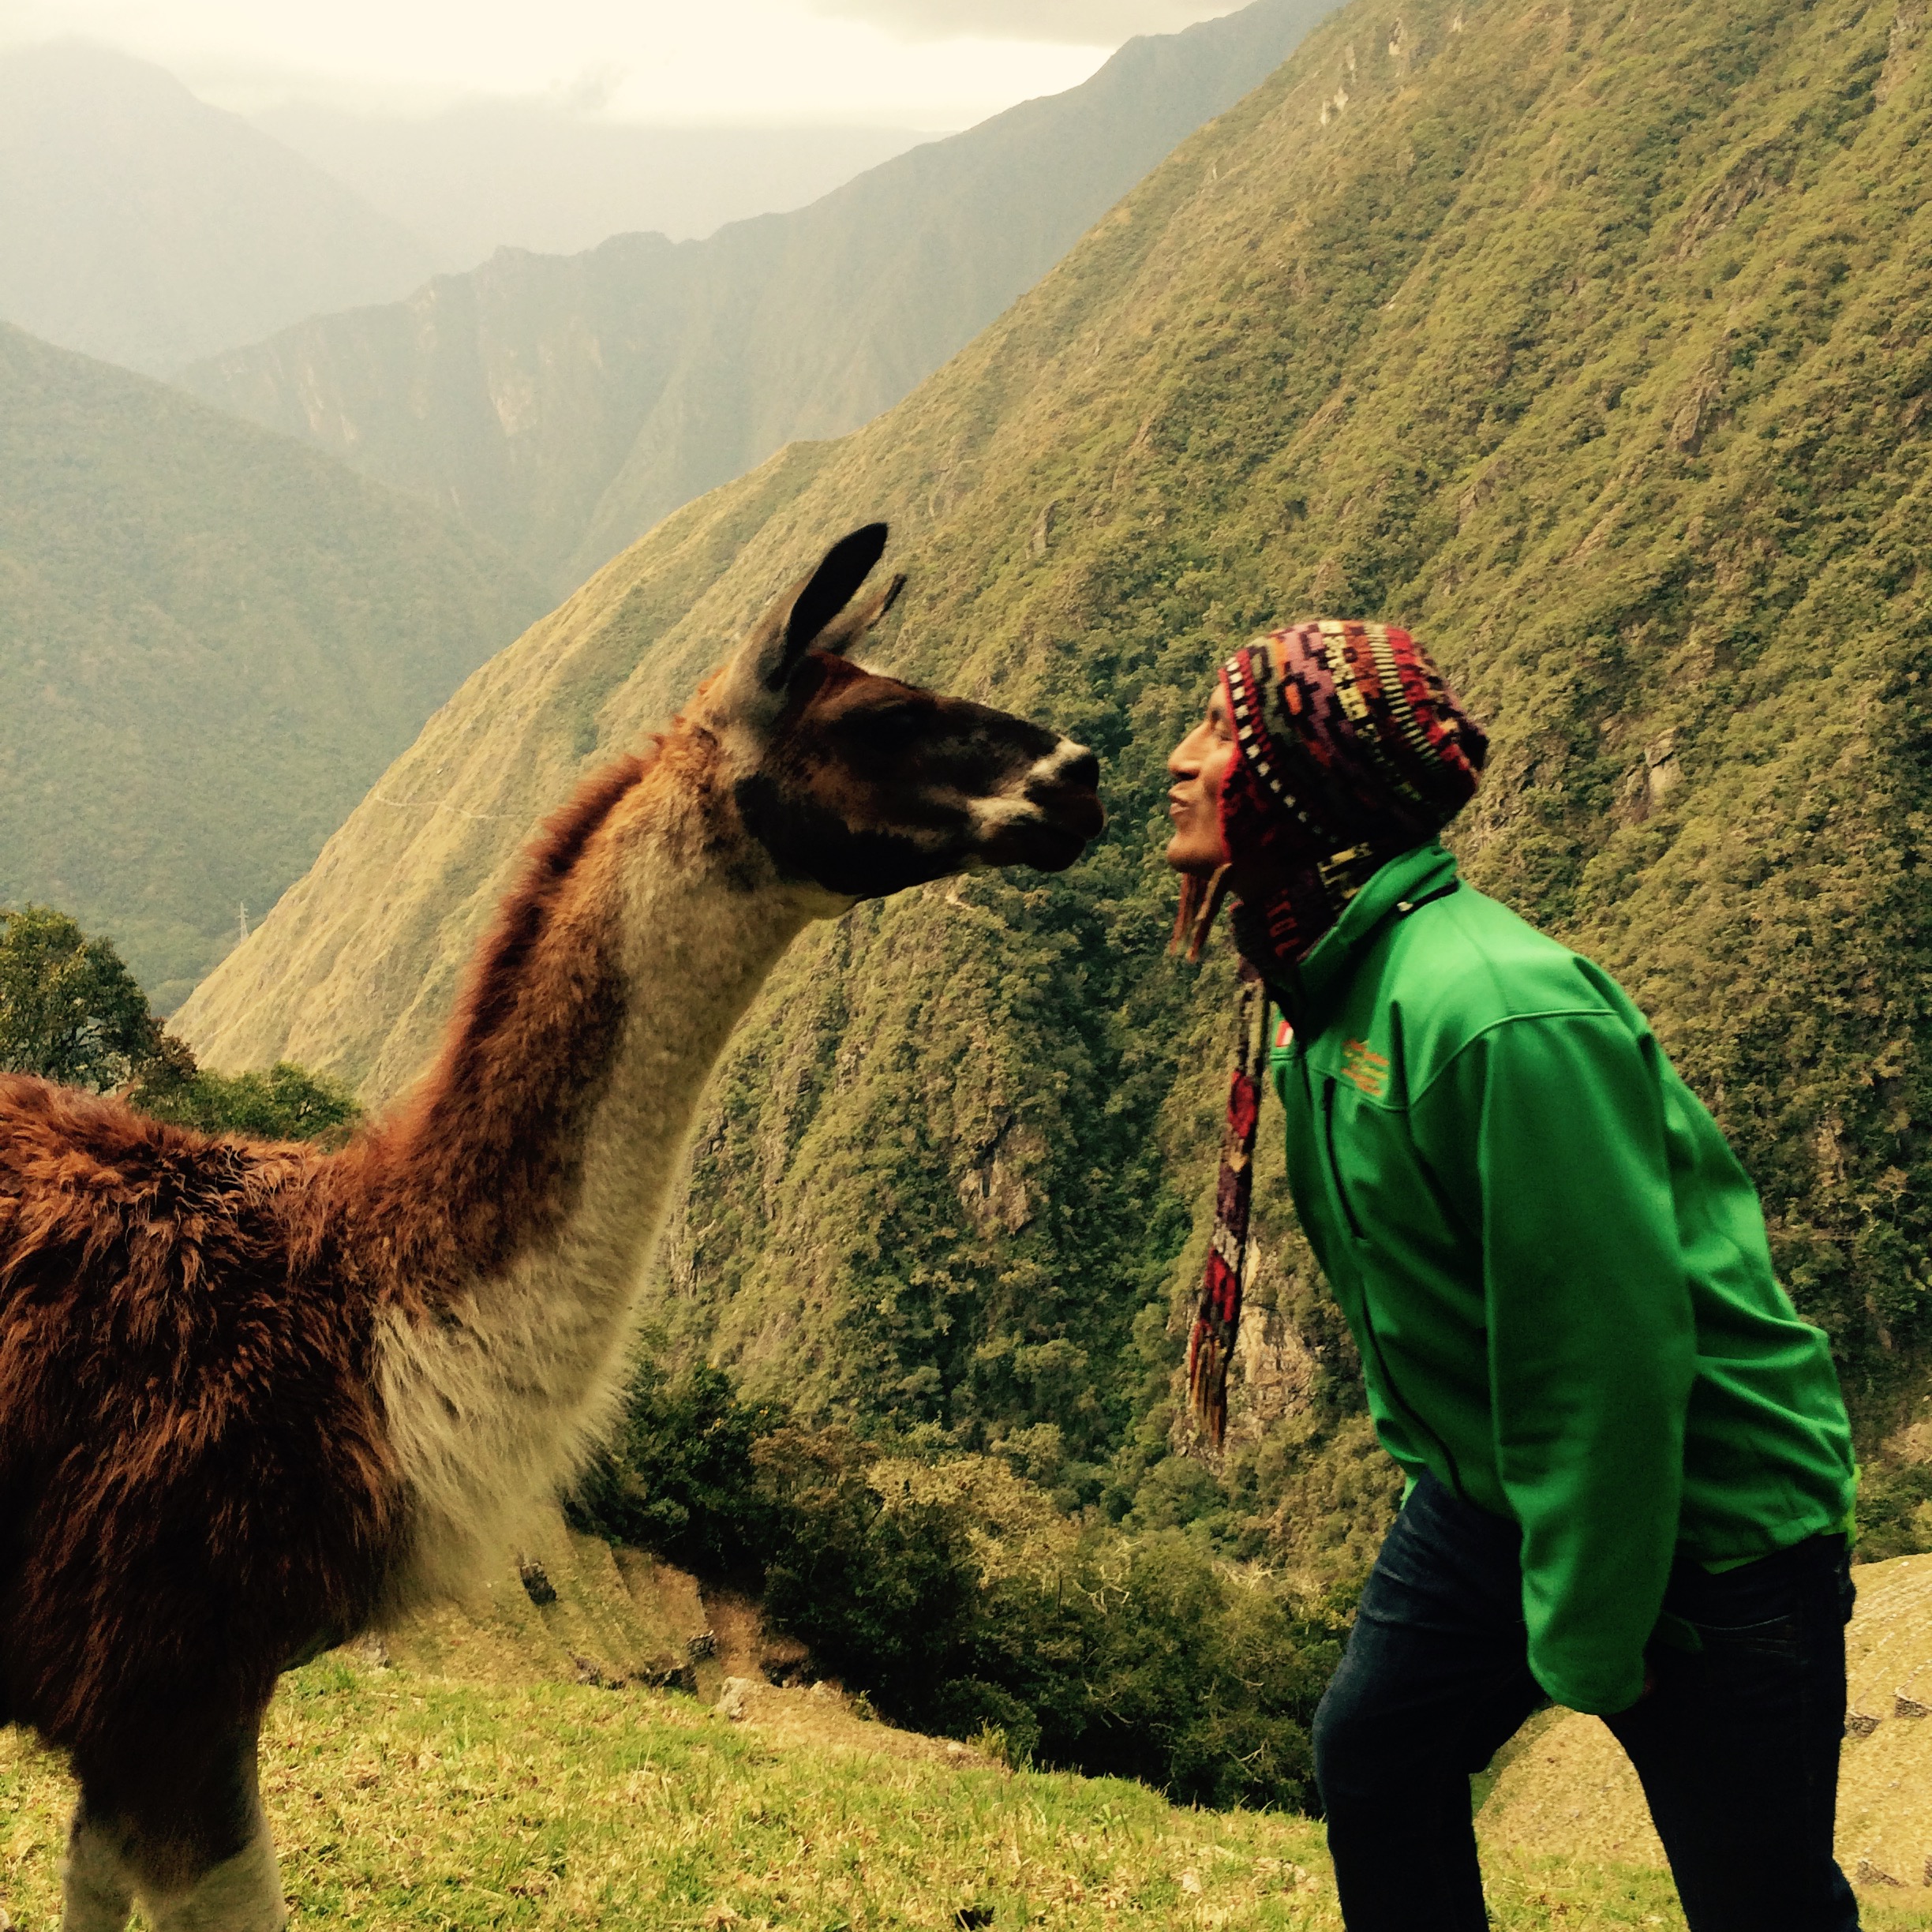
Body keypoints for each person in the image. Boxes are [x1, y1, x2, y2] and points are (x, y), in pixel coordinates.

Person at [1163, 620, 1860, 1932]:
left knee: (1759, 1900)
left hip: (1703, 1529)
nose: (1183, 762)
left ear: (1301, 795)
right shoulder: (1331, 977)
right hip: (1491, 1489)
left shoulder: (1492, 1014)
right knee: (1376, 1760)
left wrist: (1596, 1641)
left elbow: (1605, 1353)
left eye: (1222, 739)